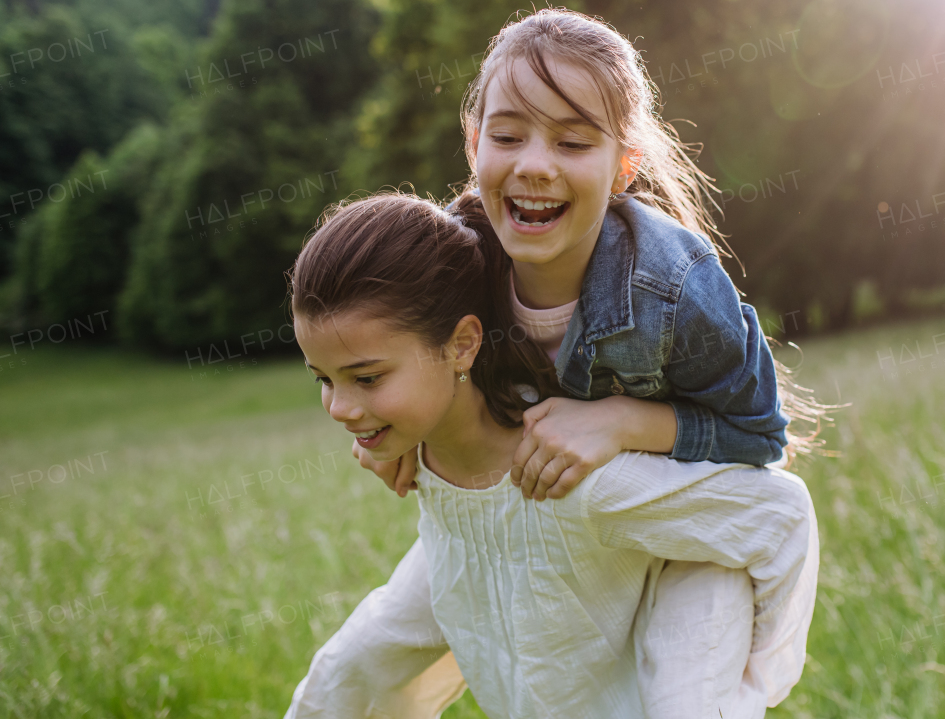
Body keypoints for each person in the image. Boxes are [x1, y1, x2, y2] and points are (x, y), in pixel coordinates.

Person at [285, 192, 818, 718]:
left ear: (463, 346)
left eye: (367, 378)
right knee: (338, 677)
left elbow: (779, 515)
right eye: (324, 379)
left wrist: (755, 682)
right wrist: (388, 428)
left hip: (666, 600)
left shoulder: (574, 475)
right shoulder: (421, 452)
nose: (339, 409)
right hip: (510, 592)